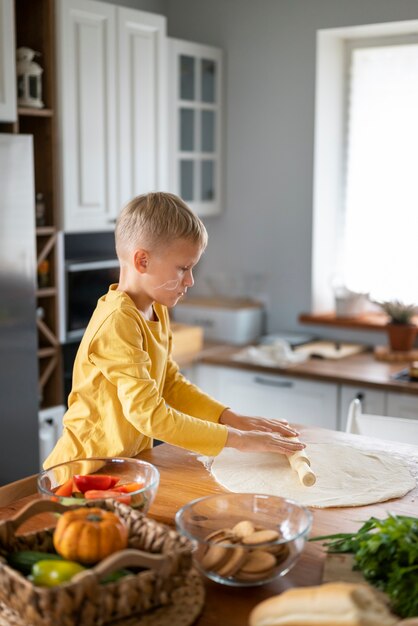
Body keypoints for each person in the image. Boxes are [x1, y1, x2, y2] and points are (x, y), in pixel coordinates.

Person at [44, 192, 304, 469]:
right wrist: (237, 439)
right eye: (183, 268)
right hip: (82, 473)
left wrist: (229, 417)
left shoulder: (157, 309)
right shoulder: (118, 320)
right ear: (142, 261)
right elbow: (150, 416)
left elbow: (168, 383)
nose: (190, 280)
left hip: (123, 467)